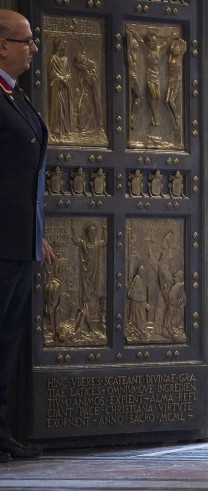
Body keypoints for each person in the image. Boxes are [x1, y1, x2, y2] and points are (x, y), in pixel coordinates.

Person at [0, 9, 54, 463]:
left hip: (18, 241)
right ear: (1, 45)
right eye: (25, 40)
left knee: (7, 339)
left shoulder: (15, 95)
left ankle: (0, 433)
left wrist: (35, 231)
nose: (33, 48)